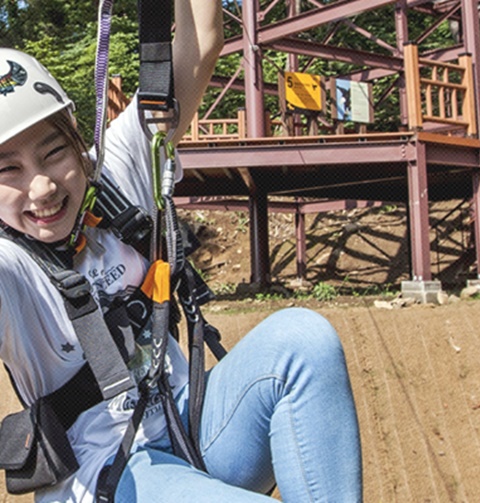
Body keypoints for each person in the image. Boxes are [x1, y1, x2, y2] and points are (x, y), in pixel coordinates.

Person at [0, 0, 362, 501]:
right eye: (7, 170)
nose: (41, 187)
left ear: (79, 142)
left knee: (303, 339)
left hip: (191, 420)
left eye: (53, 151)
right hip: (111, 471)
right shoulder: (11, 267)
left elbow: (201, 43)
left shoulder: (117, 174)